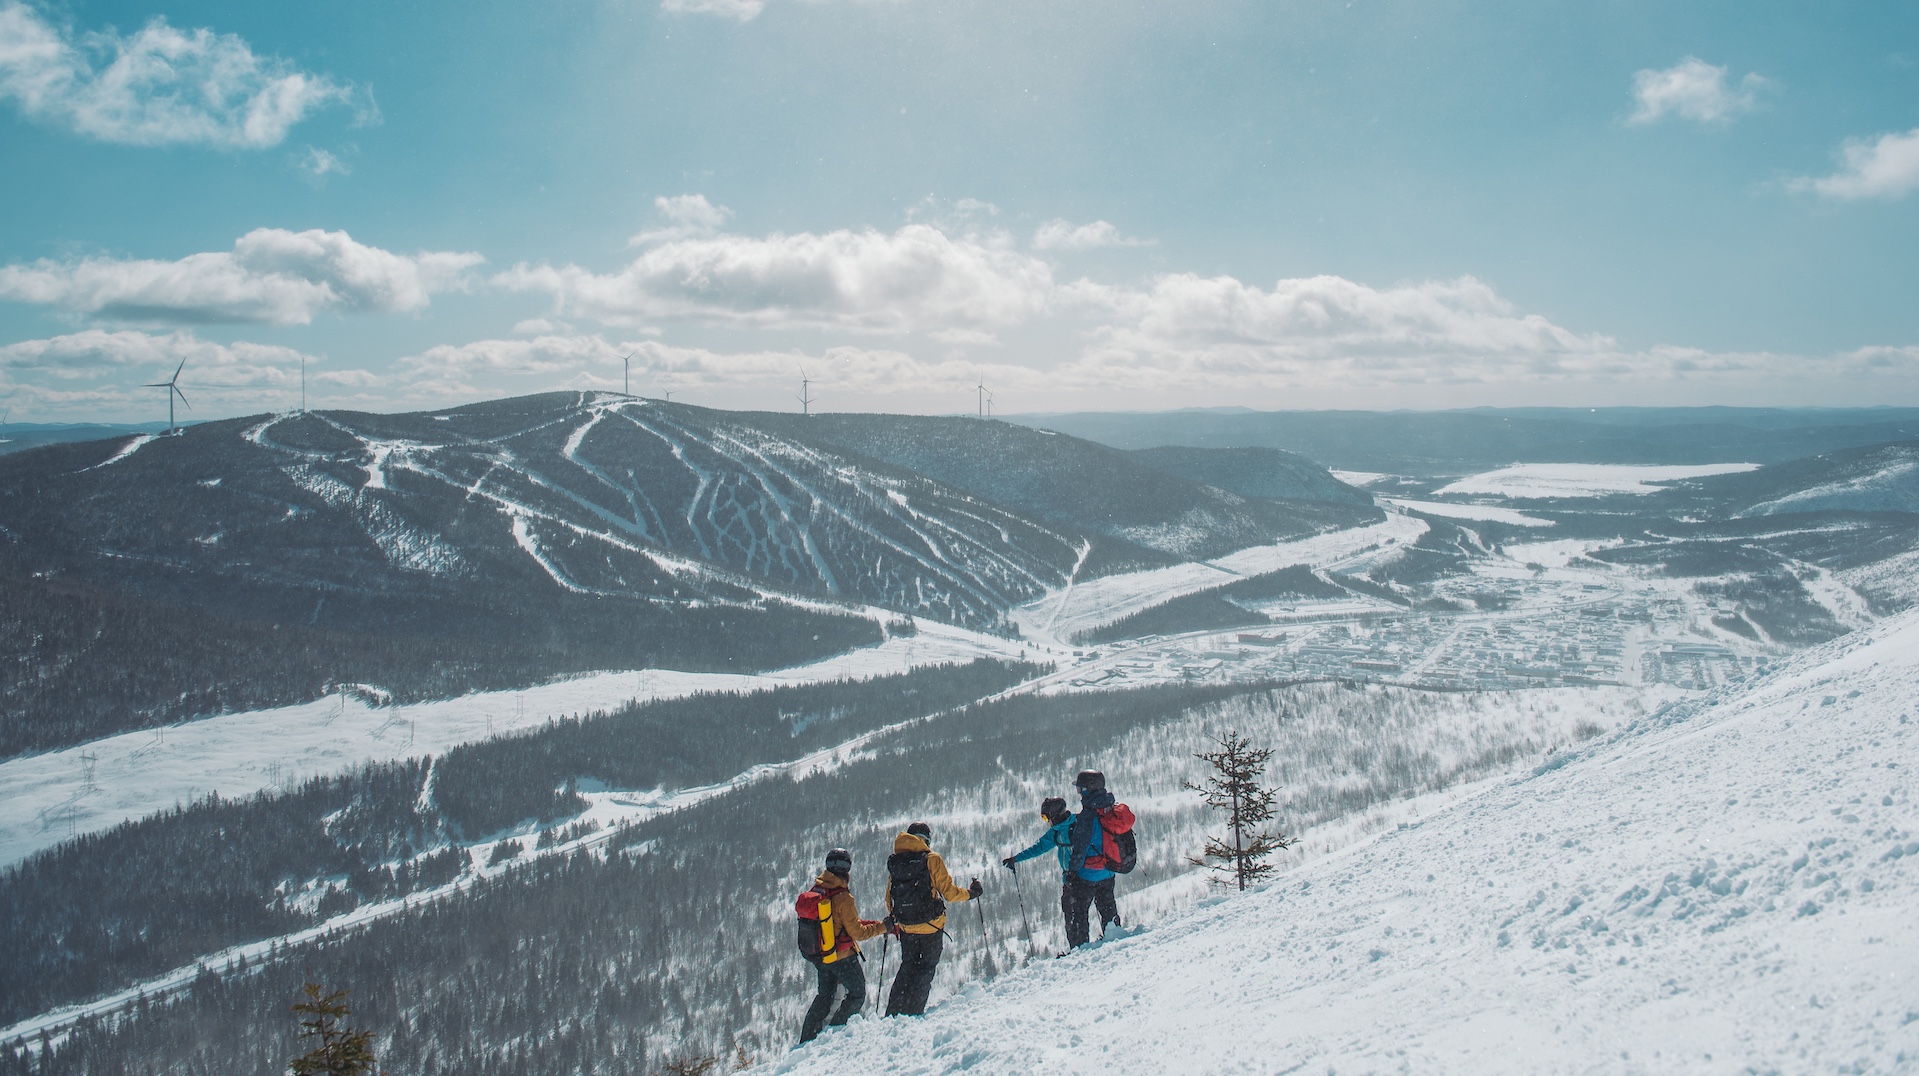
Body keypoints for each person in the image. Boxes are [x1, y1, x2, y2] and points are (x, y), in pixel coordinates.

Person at [884, 821, 982, 1016]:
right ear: (927, 839)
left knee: (907, 966)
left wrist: (897, 920)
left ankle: (893, 1013)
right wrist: (971, 894)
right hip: (931, 926)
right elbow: (950, 893)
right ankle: (914, 1012)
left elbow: (889, 897)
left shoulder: (897, 861)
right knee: (926, 968)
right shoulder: (931, 859)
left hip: (906, 927)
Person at [797, 848, 888, 1044]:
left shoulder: (819, 890)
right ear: (847, 869)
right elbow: (857, 933)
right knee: (857, 993)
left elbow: (841, 924)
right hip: (842, 957)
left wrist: (877, 924)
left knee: (824, 996)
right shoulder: (843, 897)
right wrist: (883, 928)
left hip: (822, 955)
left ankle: (807, 1039)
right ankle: (835, 1033)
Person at [1064, 770, 1128, 949]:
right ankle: (1114, 935)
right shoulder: (1109, 808)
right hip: (1108, 869)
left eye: (1079, 789)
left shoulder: (1087, 816)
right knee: (1107, 905)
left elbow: (1080, 850)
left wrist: (1072, 871)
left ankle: (1080, 948)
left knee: (1080, 911)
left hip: (1088, 874)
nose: (1078, 792)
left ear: (1086, 790)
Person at [1001, 796, 1074, 941]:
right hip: (1091, 875)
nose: (1047, 822)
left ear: (1054, 815)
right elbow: (1039, 847)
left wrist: (1015, 859)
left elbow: (1038, 848)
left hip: (1074, 880)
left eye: (1046, 818)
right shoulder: (1075, 823)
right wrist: (1016, 858)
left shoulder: (1058, 831)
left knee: (1072, 916)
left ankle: (1078, 948)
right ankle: (1111, 936)